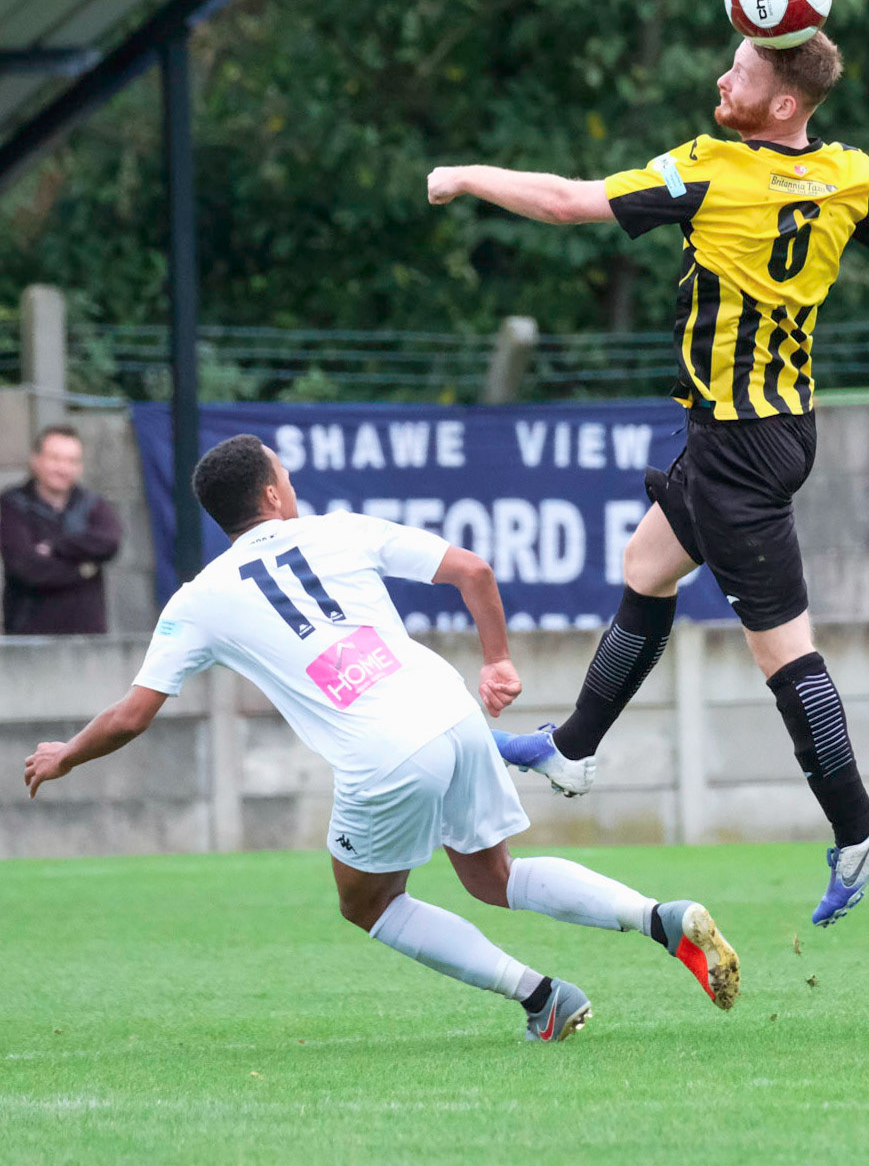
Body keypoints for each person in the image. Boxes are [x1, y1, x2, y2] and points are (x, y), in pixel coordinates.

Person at [427, 30, 869, 928]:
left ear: (782, 104)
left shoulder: (711, 170)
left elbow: (569, 204)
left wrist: (464, 175)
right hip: (773, 428)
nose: (722, 78)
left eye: (743, 72)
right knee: (647, 566)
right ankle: (573, 748)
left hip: (739, 449)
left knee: (784, 652)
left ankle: (858, 829)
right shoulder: (848, 173)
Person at [25, 433, 739, 1040]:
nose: (292, 486)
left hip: (383, 753)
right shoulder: (339, 530)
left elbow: (132, 715)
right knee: (495, 877)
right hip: (451, 708)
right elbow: (474, 571)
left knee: (366, 903)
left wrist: (67, 755)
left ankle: (541, 998)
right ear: (270, 495)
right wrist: (496, 661)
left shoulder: (198, 600)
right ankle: (659, 918)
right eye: (286, 476)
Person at [1, 424, 122, 635]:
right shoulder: (13, 505)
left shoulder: (92, 504)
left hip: (87, 637)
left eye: (72, 461)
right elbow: (25, 567)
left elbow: (110, 542)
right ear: (35, 459)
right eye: (55, 459)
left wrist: (55, 546)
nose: (63, 468)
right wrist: (84, 569)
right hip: (29, 636)